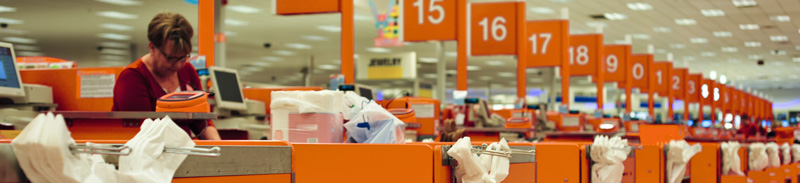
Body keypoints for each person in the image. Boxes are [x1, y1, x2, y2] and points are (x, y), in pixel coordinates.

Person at [112, 12, 220, 140]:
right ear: (152, 47)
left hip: (181, 151)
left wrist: (220, 149)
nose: (178, 65)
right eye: (171, 58)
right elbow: (145, 135)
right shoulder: (132, 78)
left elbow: (202, 122)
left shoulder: (187, 71)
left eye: (183, 57)